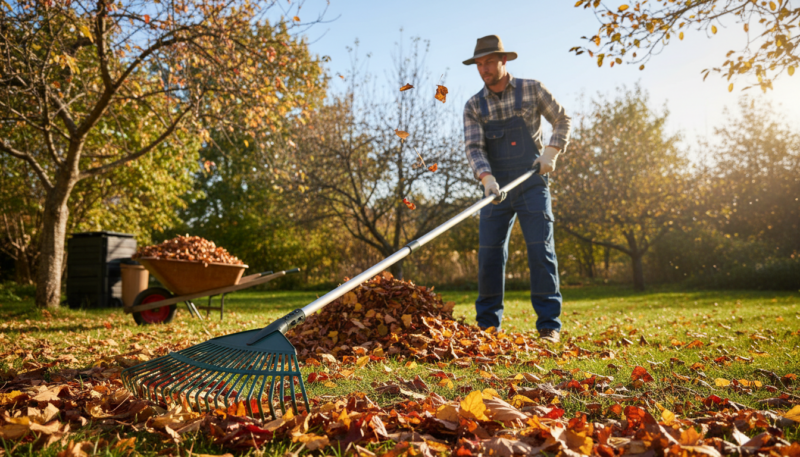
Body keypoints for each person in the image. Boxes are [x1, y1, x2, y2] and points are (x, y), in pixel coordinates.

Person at [462, 35, 571, 343]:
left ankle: (549, 325)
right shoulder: (474, 105)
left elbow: (562, 119)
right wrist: (486, 179)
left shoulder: (532, 89)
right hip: (496, 187)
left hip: (532, 180)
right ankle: (487, 326)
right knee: (489, 255)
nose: (483, 69)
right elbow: (474, 147)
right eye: (478, 64)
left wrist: (551, 151)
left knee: (541, 249)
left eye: (488, 62)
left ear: (503, 61)